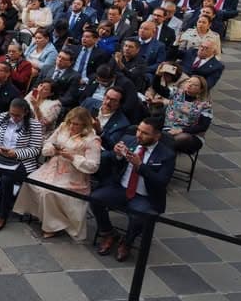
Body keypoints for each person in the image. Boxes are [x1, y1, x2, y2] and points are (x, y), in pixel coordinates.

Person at [91, 117, 175, 262]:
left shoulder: (166, 155)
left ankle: (127, 242)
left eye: (145, 133)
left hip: (143, 196)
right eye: (138, 130)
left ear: (157, 136)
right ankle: (108, 232)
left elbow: (161, 182)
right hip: (121, 188)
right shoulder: (129, 140)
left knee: (140, 216)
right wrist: (117, 155)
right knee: (95, 198)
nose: (139, 135)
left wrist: (141, 167)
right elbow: (111, 160)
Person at [14, 107, 101, 241]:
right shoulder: (63, 127)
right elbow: (48, 142)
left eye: (76, 124)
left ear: (85, 124)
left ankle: (52, 226)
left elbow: (93, 166)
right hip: (52, 167)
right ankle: (39, 214)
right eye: (70, 122)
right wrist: (52, 150)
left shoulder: (92, 139)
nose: (72, 126)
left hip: (73, 175)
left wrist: (73, 157)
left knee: (48, 192)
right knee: (30, 180)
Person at [0, 98, 43, 232]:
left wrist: (16, 153)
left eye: (18, 115)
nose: (14, 118)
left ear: (26, 112)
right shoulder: (3, 117)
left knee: (7, 179)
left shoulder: (34, 125)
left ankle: (1, 216)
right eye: (12, 114)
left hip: (20, 161)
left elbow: (35, 149)